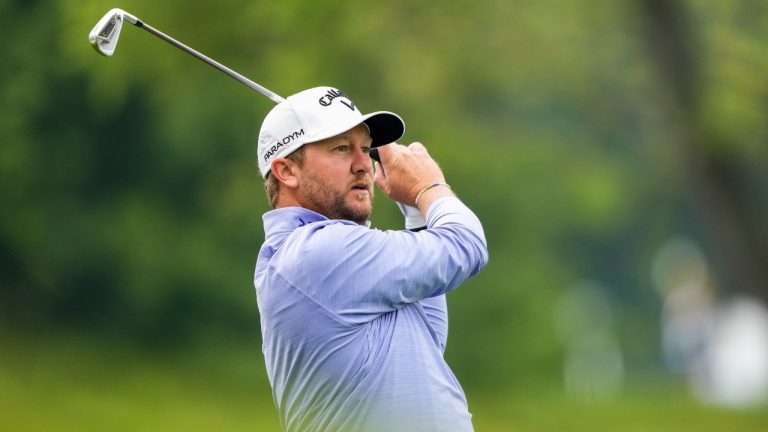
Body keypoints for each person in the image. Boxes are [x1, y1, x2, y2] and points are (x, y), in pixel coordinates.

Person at [254, 86, 488, 432]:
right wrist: (428, 187)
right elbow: (465, 246)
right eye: (341, 148)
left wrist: (415, 211)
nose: (364, 164)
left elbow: (430, 340)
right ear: (287, 171)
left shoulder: (338, 256)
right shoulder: (315, 253)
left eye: (365, 149)